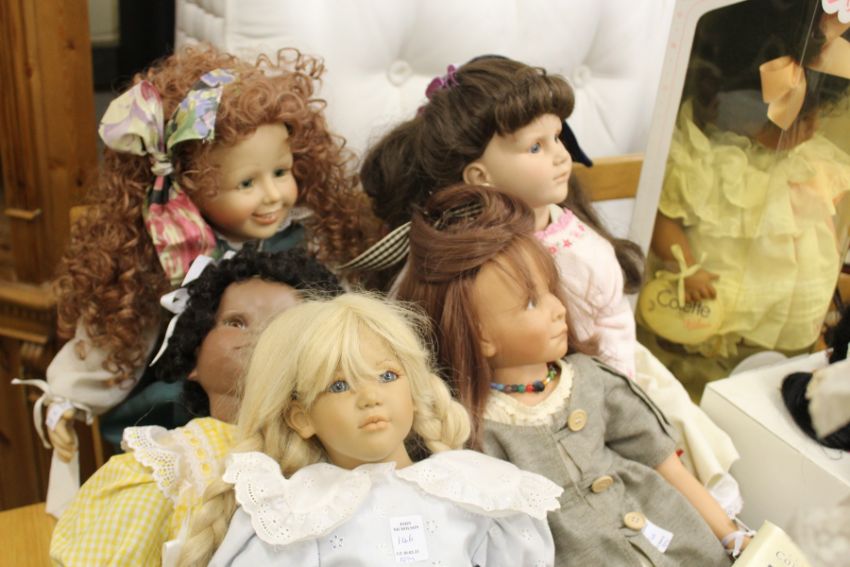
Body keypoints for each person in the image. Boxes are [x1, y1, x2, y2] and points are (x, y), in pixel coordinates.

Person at [353, 54, 738, 489]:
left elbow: (612, 326)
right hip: (488, 399)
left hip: (588, 381)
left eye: (557, 137)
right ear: (479, 174)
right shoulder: (455, 252)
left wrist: (606, 394)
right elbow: (412, 332)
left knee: (664, 443)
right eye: (536, 147)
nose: (561, 155)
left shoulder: (580, 251)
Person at [37, 45, 379, 462]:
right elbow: (112, 337)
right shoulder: (163, 255)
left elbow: (345, 310)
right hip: (194, 411)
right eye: (246, 183)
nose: (273, 195)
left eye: (281, 172)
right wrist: (68, 399)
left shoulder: (306, 236)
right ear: (188, 185)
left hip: (294, 405)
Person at [396, 185, 749, 565]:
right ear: (480, 335)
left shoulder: (591, 380)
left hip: (674, 538)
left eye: (551, 290)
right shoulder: (470, 427)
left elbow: (667, 466)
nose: (558, 308)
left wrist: (730, 534)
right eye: (532, 303)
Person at [177, 293, 562, 567]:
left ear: (413, 391)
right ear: (301, 418)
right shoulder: (298, 512)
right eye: (339, 386)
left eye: (388, 376)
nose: (370, 397)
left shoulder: (477, 490)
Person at [49, 247, 342, 566]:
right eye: (236, 323)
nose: (261, 335)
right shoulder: (168, 468)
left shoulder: (343, 450)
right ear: (193, 355)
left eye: (283, 327)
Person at [643, 0, 850, 384]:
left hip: (783, 299)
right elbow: (664, 216)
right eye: (797, 117)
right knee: (694, 353)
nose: (809, 129)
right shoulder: (704, 157)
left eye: (813, 115)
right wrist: (686, 266)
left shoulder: (808, 160)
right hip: (711, 289)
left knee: (762, 365)